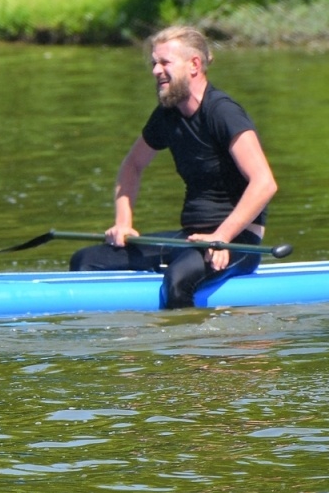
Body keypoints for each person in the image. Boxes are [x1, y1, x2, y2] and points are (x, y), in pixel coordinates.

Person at [70, 25, 277, 308]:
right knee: (86, 261)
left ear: (194, 65)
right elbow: (132, 165)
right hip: (189, 238)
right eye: (154, 63)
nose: (156, 70)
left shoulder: (222, 112)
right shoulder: (168, 115)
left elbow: (264, 182)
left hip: (235, 243)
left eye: (165, 62)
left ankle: (187, 350)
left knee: (178, 281)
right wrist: (123, 223)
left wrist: (222, 237)